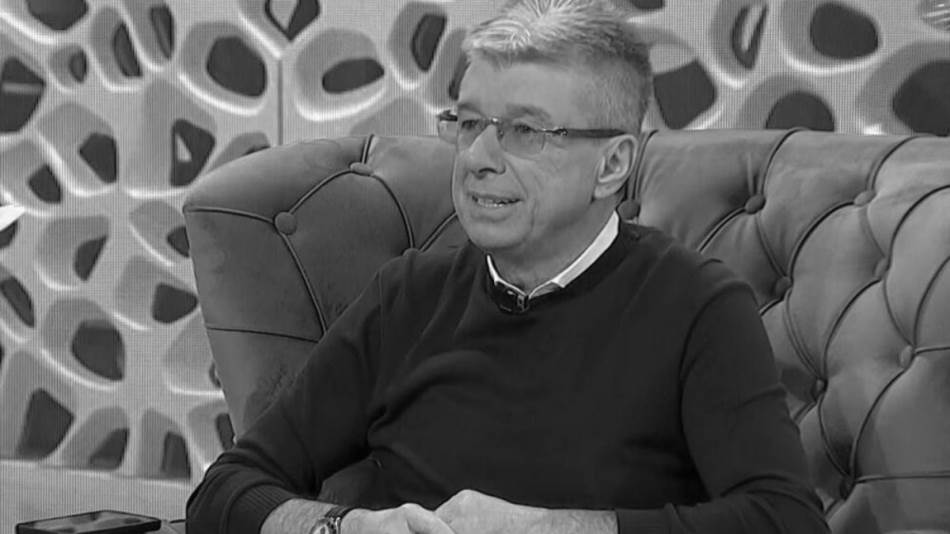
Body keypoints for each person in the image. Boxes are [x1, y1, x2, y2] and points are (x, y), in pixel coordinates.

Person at [186, 0, 829, 532]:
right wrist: (342, 527)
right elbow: (227, 490)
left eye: (525, 131)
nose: (478, 158)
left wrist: (550, 529)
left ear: (612, 165)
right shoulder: (408, 296)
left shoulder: (698, 306)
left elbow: (785, 518)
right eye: (469, 123)